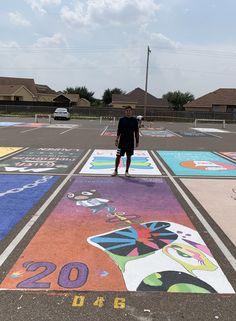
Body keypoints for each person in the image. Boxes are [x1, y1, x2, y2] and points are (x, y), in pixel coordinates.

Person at [112, 106, 139, 177]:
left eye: (129, 111)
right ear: (125, 111)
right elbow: (119, 130)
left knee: (129, 157)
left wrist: (137, 141)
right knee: (118, 156)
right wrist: (116, 139)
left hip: (130, 142)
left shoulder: (134, 120)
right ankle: (115, 170)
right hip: (121, 142)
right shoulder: (121, 120)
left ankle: (127, 171)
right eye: (127, 111)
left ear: (131, 111)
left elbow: (136, 132)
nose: (128, 112)